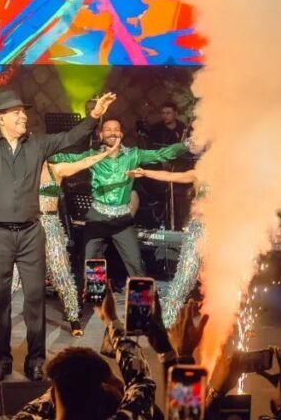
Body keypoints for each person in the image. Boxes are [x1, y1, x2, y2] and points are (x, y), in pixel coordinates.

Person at [0, 83, 116, 381]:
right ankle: (1, 357)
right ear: (1, 118)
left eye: (23, 112)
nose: (23, 116)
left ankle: (36, 359)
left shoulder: (37, 144)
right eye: (16, 113)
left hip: (30, 233)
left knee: (35, 297)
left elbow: (70, 138)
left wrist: (94, 116)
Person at [3, 290, 157, 420]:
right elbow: (141, 382)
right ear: (101, 400)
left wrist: (64, 379)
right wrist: (111, 320)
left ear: (53, 395)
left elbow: (52, 396)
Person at [50, 119, 188, 280]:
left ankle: (139, 297)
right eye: (108, 130)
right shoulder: (92, 155)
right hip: (97, 219)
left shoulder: (133, 155)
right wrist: (40, 153)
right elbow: (66, 157)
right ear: (100, 134)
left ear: (121, 134)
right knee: (92, 267)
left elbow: (161, 154)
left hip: (122, 221)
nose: (112, 133)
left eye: (116, 129)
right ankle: (97, 296)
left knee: (136, 267)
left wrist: (186, 145)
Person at [11, 147, 124, 336]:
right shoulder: (22, 171)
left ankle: (73, 318)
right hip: (28, 226)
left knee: (61, 272)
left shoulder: (56, 169)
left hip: (51, 226)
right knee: (15, 272)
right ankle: (1, 315)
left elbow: (84, 162)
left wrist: (106, 153)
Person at [127, 167, 203, 327]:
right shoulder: (201, 174)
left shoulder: (234, 178)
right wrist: (146, 172)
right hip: (199, 229)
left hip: (222, 232)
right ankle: (166, 321)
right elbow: (171, 176)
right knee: (185, 276)